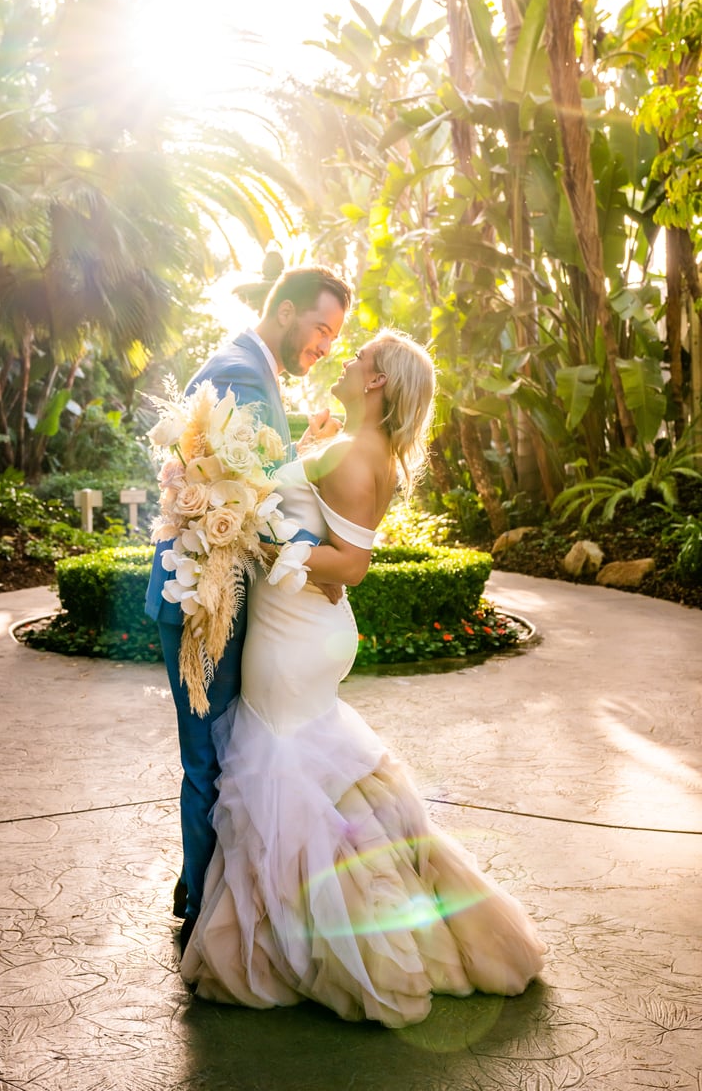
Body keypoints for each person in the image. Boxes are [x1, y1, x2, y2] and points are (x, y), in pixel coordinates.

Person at [180, 329, 546, 1028]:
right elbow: (316, 514)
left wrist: (254, 534)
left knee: (280, 764)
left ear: (377, 382)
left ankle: (325, 940)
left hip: (293, 638)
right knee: (314, 768)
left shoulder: (354, 455)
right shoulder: (355, 447)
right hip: (304, 631)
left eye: (359, 359)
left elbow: (349, 565)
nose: (345, 362)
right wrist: (298, 459)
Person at [144, 265, 353, 953]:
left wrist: (300, 451)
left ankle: (203, 892)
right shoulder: (240, 371)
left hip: (215, 592)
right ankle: (205, 913)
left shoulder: (249, 368)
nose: (324, 346)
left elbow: (251, 478)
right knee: (212, 758)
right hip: (204, 598)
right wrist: (323, 562)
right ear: (285, 311)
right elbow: (248, 502)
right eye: (321, 328)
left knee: (221, 751)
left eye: (333, 336)